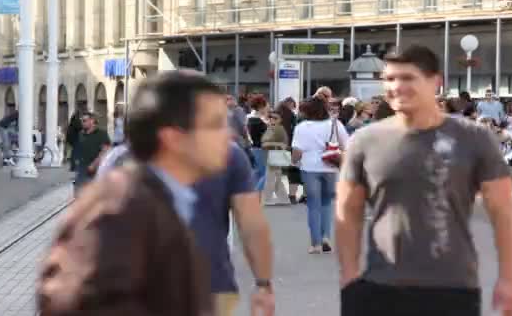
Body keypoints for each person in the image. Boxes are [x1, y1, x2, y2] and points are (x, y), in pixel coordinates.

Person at [336, 45, 512, 316]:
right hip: (379, 287)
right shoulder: (364, 141)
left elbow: (503, 212)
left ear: (436, 82)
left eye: (408, 78)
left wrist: (509, 277)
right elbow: (347, 212)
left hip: (452, 288)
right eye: (390, 79)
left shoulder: (474, 138)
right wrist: (349, 276)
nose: (397, 86)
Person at [37, 70, 231, 316]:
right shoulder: (121, 210)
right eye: (215, 125)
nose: (229, 135)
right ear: (172, 137)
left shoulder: (164, 199)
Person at [191, 142, 275, 316]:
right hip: (210, 279)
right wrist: (263, 283)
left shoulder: (127, 155)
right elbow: (250, 223)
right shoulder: (227, 153)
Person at [292, 97, 349, 254]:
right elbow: (347, 145)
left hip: (309, 168)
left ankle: (315, 243)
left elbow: (297, 151)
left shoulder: (301, 127)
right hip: (330, 167)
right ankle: (326, 237)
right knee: (326, 203)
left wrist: (293, 162)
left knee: (313, 205)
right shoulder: (335, 124)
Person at [72, 112, 111, 193]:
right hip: (82, 169)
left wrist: (94, 164)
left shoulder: (101, 133)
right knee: (79, 194)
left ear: (92, 121)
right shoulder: (81, 134)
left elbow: (105, 151)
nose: (82, 123)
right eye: (81, 121)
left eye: (84, 120)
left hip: (97, 170)